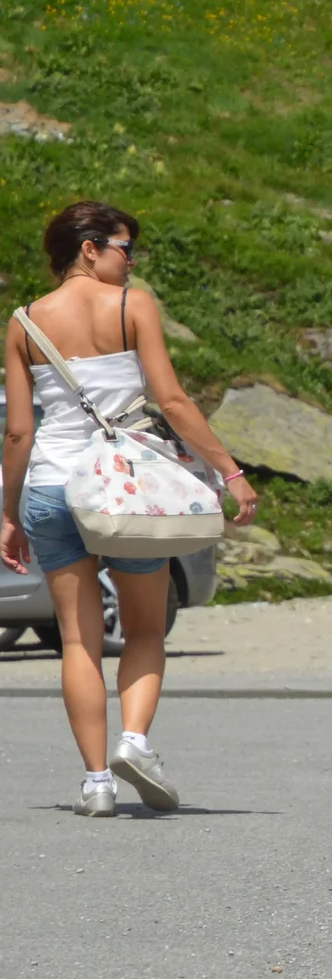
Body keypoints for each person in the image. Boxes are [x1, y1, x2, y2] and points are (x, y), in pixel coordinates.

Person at [0, 202, 257, 818]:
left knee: (78, 642)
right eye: (124, 249)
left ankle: (95, 784)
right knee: (143, 629)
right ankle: (135, 743)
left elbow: (18, 435)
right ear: (89, 249)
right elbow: (170, 397)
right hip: (124, 490)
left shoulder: (23, 322)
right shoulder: (132, 305)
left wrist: (8, 513)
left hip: (51, 490)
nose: (131, 262)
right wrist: (230, 472)